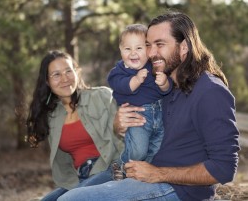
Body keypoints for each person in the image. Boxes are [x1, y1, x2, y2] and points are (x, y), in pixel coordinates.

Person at [57, 11, 240, 201]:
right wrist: (119, 125)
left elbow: (224, 168)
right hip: (138, 175)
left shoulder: (210, 91)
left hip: (176, 190)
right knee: (57, 197)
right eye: (148, 45)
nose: (151, 53)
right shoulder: (160, 85)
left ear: (184, 47)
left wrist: (159, 174)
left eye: (160, 44)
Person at [26, 50, 123, 201]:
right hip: (80, 178)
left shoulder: (102, 97)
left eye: (68, 71)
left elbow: (123, 138)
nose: (65, 79)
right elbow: (63, 162)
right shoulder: (52, 117)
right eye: (56, 74)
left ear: (76, 72)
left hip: (111, 170)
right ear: (47, 81)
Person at [107, 24, 172, 180]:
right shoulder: (119, 71)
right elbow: (121, 86)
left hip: (159, 116)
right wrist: (135, 80)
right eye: (127, 49)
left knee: (155, 150)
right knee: (139, 151)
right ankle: (121, 164)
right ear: (120, 50)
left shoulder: (154, 67)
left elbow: (166, 90)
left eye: (139, 48)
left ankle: (136, 176)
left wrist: (164, 83)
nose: (133, 53)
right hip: (138, 117)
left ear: (148, 50)